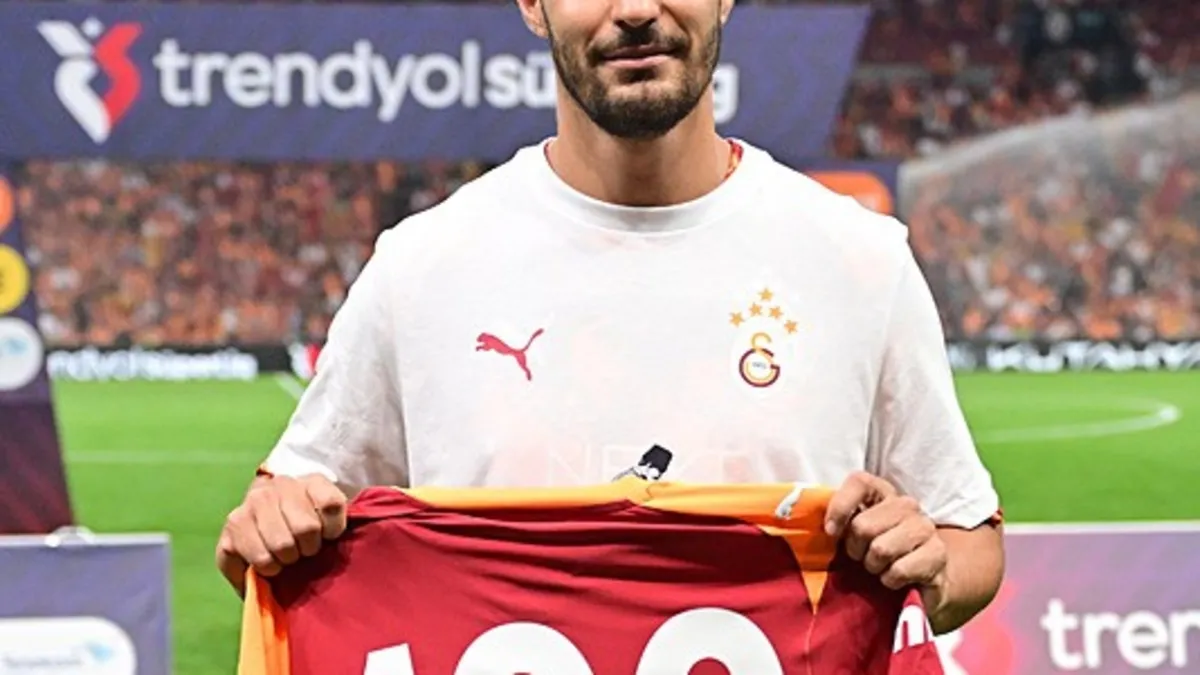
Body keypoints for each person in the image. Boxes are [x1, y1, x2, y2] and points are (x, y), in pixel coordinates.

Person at [217, 0, 1004, 635]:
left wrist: (930, 565)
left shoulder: (859, 257)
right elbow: (277, 524)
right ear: (532, 6)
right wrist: (267, 527)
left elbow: (968, 535)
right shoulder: (421, 266)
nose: (634, 11)